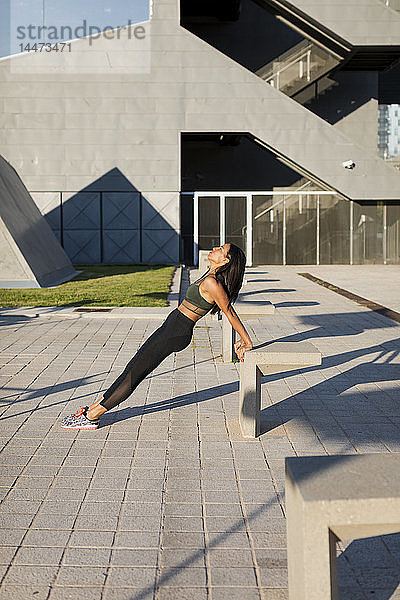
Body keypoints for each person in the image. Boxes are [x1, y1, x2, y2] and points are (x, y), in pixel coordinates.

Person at [61, 243, 253, 430]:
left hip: (176, 331)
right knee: (132, 368)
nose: (215, 248)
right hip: (172, 327)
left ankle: (92, 416)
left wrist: (247, 341)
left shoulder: (213, 282)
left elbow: (229, 312)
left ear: (226, 260)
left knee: (134, 374)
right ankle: (92, 409)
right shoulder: (209, 275)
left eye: (221, 249)